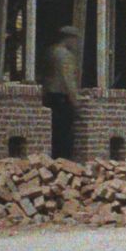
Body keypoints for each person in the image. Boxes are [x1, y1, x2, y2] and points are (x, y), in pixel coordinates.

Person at [42, 26, 82, 160]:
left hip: (49, 95)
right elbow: (68, 79)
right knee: (64, 132)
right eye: (75, 40)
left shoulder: (50, 51)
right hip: (61, 97)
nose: (76, 44)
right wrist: (75, 100)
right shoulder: (65, 55)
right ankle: (63, 161)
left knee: (54, 130)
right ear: (69, 39)